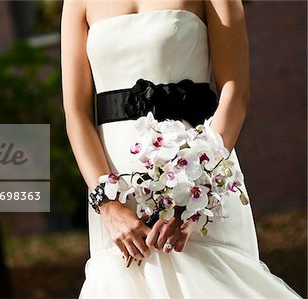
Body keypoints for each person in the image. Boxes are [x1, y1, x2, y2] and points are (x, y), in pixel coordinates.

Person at [61, 0, 302, 297]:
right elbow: (76, 114)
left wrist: (193, 196)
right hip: (116, 188)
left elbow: (235, 94)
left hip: (197, 178)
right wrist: (107, 204)